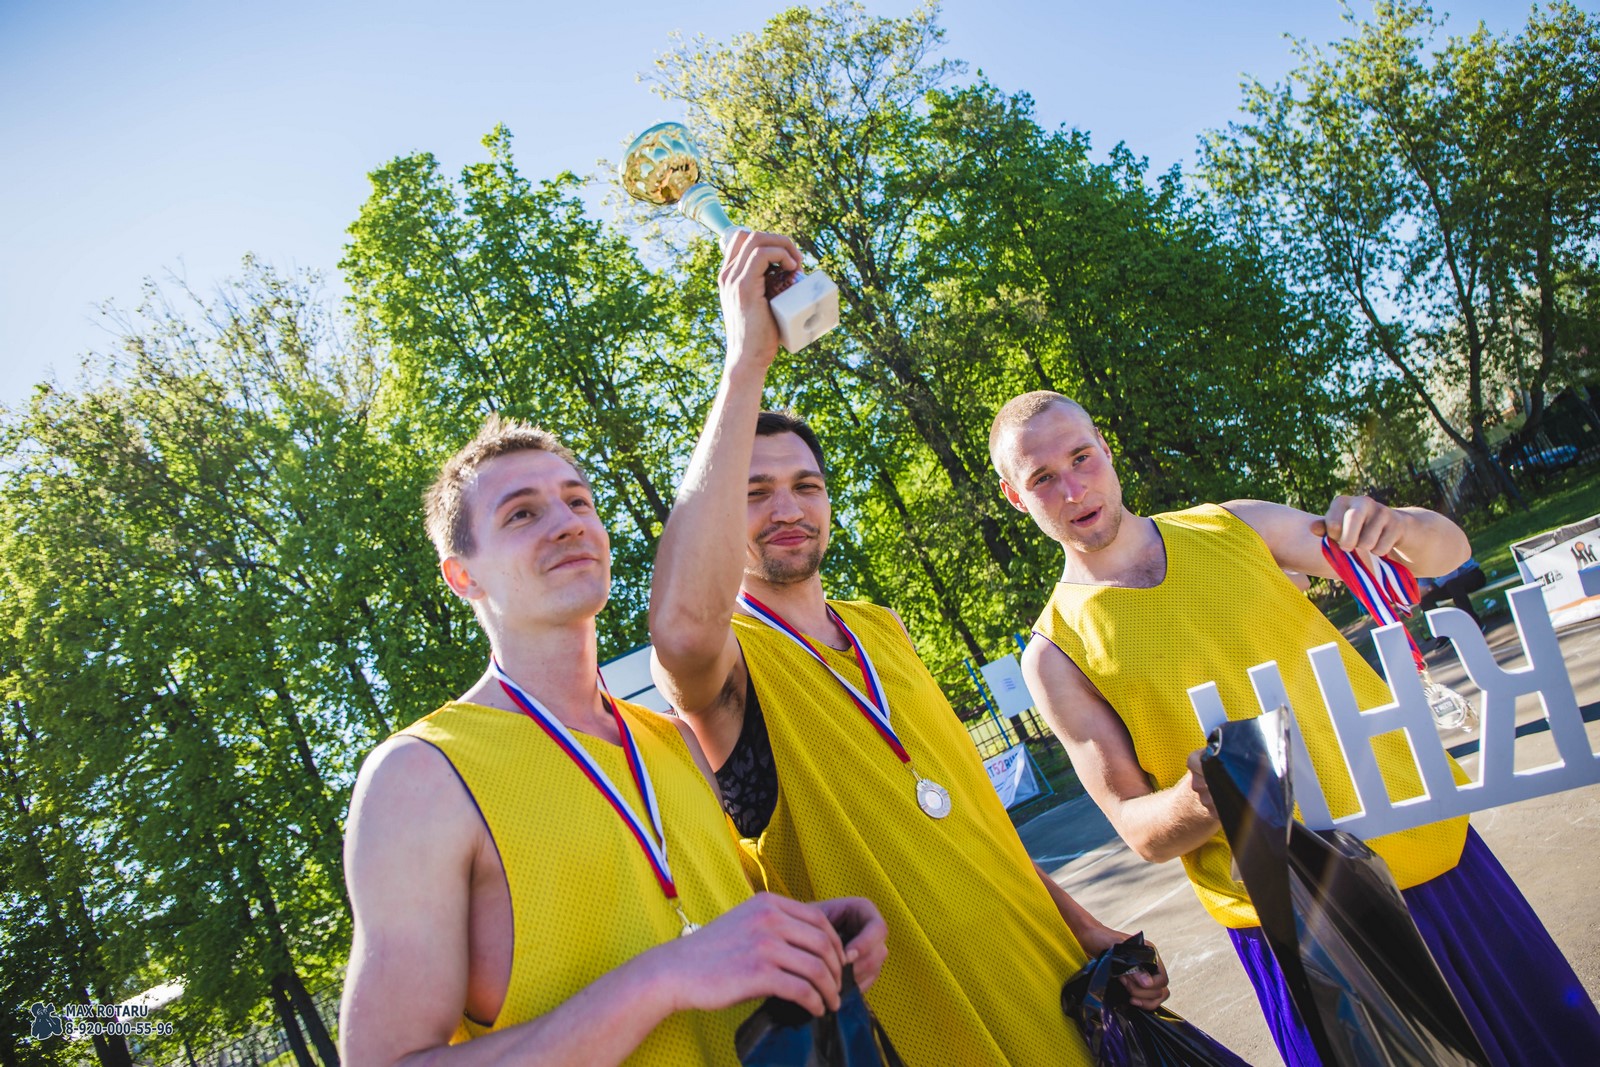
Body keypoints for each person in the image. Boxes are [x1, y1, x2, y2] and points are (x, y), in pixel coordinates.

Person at [648, 231, 1170, 1067]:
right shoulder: (725, 665)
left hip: (1052, 989)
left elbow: (971, 816)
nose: (788, 508)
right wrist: (745, 362)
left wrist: (1084, 924)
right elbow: (678, 625)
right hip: (923, 1029)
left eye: (807, 486)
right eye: (753, 492)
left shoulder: (881, 626)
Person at [989, 389, 1600, 1066]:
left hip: (1427, 847)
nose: (1073, 488)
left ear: (1106, 447)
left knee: (1554, 1048)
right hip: (1299, 925)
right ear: (1016, 496)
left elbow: (1442, 552)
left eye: (1081, 457)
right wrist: (1203, 794)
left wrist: (1394, 524)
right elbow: (1137, 827)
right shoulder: (1055, 653)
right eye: (1042, 478)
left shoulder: (1235, 527)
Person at [339, 417, 887, 1067]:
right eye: (521, 514)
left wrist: (809, 932)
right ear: (462, 576)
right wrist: (661, 979)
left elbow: (704, 930)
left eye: (579, 502)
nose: (567, 523)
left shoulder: (674, 741)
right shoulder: (419, 775)